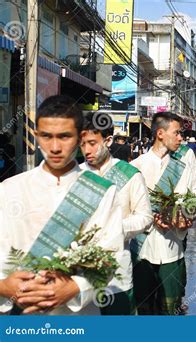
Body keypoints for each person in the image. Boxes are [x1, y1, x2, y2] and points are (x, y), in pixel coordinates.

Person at [0, 95, 123, 315]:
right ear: (36, 136)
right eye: (47, 136)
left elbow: (112, 254)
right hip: (17, 313)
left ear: (79, 139)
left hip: (78, 315)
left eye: (64, 137)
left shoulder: (103, 191)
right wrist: (4, 286)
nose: (55, 147)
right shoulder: (9, 189)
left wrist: (75, 287)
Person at [79, 112, 153, 315]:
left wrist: (113, 229)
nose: (87, 150)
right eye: (82, 143)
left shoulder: (129, 175)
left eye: (92, 143)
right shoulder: (74, 175)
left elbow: (145, 217)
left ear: (108, 140)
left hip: (117, 273)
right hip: (78, 276)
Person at [130, 112, 196, 315]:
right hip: (142, 249)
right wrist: (151, 217)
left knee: (171, 308)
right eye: (177, 133)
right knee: (144, 308)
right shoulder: (136, 167)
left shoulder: (183, 165)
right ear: (160, 133)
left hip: (172, 246)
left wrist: (187, 216)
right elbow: (125, 210)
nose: (181, 138)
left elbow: (194, 197)